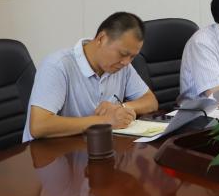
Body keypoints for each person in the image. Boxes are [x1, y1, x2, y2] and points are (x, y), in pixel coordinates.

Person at [24, 12, 158, 142]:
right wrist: (106, 120)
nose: (127, 62)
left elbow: (151, 102)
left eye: (132, 56)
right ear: (101, 39)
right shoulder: (58, 66)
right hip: (50, 152)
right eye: (123, 54)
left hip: (93, 146)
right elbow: (39, 126)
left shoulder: (122, 66)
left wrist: (121, 108)